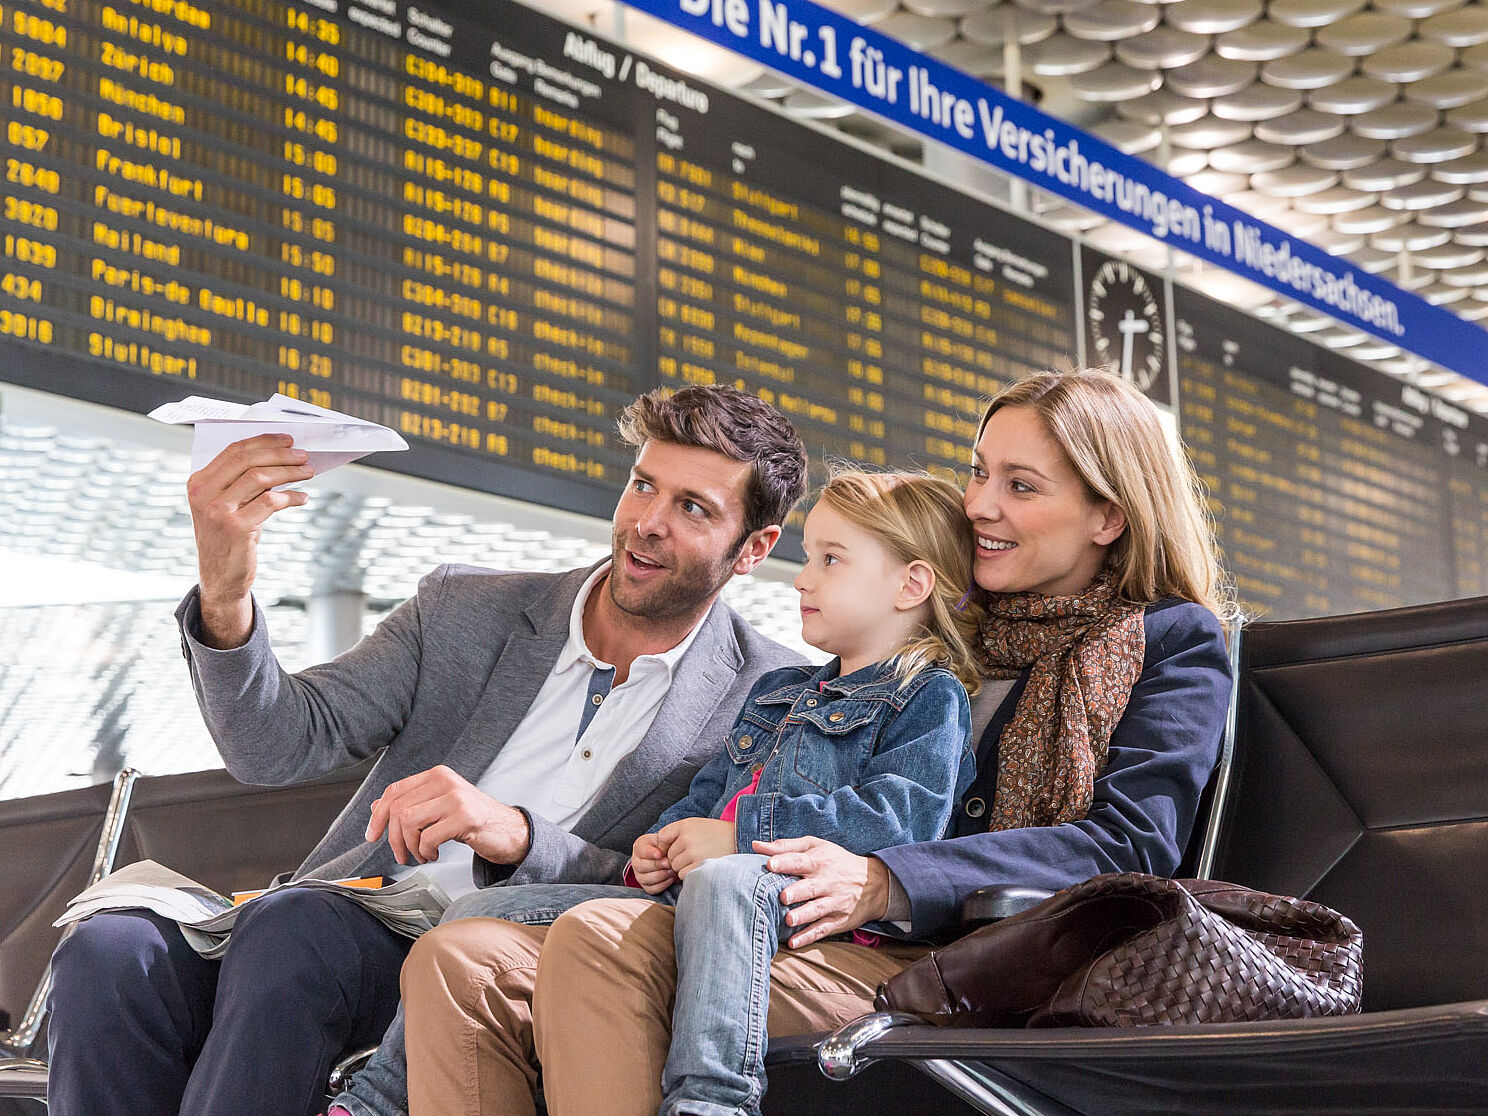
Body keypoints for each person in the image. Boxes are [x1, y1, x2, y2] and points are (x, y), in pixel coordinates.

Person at [395, 368, 1236, 1116]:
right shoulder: (932, 625)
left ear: (1107, 516)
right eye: (980, 471)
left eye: (1021, 485)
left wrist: (886, 879)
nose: (980, 503)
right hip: (813, 921)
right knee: (466, 961)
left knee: (598, 950)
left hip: (969, 962)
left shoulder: (1167, 641)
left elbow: (1127, 847)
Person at [44, 384, 810, 1116]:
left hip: (513, 962)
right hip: (338, 921)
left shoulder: (773, 695)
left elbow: (676, 893)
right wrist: (224, 592)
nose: (647, 522)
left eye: (692, 508)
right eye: (643, 486)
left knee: (297, 932)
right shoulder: (465, 609)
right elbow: (274, 748)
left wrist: (519, 837)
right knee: (108, 951)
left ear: (755, 548)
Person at [330, 469, 984, 1116]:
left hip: (790, 913)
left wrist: (738, 836)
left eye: (831, 560)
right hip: (684, 900)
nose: (803, 578)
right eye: (809, 557)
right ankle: (377, 1099)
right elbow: (708, 792)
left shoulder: (930, 697)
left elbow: (899, 824)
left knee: (725, 880)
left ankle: (713, 1098)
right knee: (478, 909)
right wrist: (661, 844)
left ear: (911, 584)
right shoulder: (777, 692)